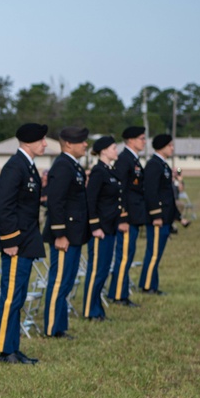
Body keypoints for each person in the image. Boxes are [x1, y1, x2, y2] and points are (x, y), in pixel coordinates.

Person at [0, 123, 48, 365]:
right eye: (42, 140)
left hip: (27, 241)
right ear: (29, 142)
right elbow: (5, 207)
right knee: (11, 295)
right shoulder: (15, 166)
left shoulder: (29, 166)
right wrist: (10, 240)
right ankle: (5, 349)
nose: (45, 143)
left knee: (20, 295)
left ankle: (13, 346)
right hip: (16, 242)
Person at [41, 126, 90, 339]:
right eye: (82, 141)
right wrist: (60, 233)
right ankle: (52, 327)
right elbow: (56, 201)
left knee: (68, 280)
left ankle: (60, 324)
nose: (86, 144)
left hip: (75, 233)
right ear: (68, 144)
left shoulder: (73, 166)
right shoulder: (62, 165)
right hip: (65, 235)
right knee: (59, 280)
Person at [81, 136, 122, 321]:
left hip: (110, 227)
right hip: (100, 229)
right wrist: (95, 226)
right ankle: (90, 309)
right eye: (114, 148)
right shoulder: (98, 171)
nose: (116, 151)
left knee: (104, 269)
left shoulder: (109, 171)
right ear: (104, 150)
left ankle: (97, 308)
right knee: (96, 270)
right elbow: (91, 200)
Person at [109, 126, 147, 307]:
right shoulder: (124, 160)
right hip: (127, 216)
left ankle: (120, 291)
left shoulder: (134, 159)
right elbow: (120, 189)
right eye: (141, 138)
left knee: (128, 255)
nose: (144, 141)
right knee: (123, 257)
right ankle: (118, 295)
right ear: (130, 140)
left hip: (135, 214)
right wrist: (122, 217)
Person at [139, 134, 177, 295]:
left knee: (157, 253)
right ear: (162, 146)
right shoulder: (154, 165)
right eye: (170, 145)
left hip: (165, 217)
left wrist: (177, 216)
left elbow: (168, 193)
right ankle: (147, 286)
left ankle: (152, 284)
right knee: (153, 253)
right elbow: (151, 192)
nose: (172, 148)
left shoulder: (163, 165)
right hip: (157, 218)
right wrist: (156, 215)